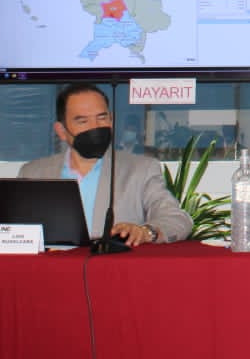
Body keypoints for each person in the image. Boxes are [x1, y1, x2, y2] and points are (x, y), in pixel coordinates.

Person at [18, 83, 193, 246]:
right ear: (62, 131)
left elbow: (177, 219)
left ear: (111, 121)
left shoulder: (141, 170)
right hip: (50, 267)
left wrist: (146, 232)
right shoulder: (33, 173)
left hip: (114, 267)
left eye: (101, 118)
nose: (95, 127)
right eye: (83, 121)